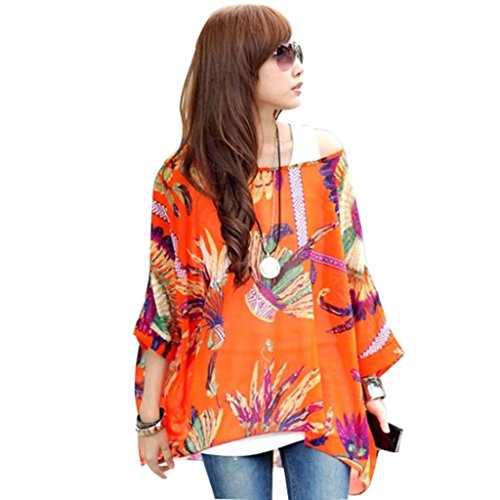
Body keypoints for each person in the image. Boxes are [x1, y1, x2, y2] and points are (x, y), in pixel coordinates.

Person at [132, 4, 405, 499]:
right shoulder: (183, 180)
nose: (297, 65)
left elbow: (353, 280)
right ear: (239, 66)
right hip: (227, 399)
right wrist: (148, 419)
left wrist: (372, 388)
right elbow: (166, 304)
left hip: (322, 391)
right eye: (281, 54)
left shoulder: (323, 156)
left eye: (296, 51)